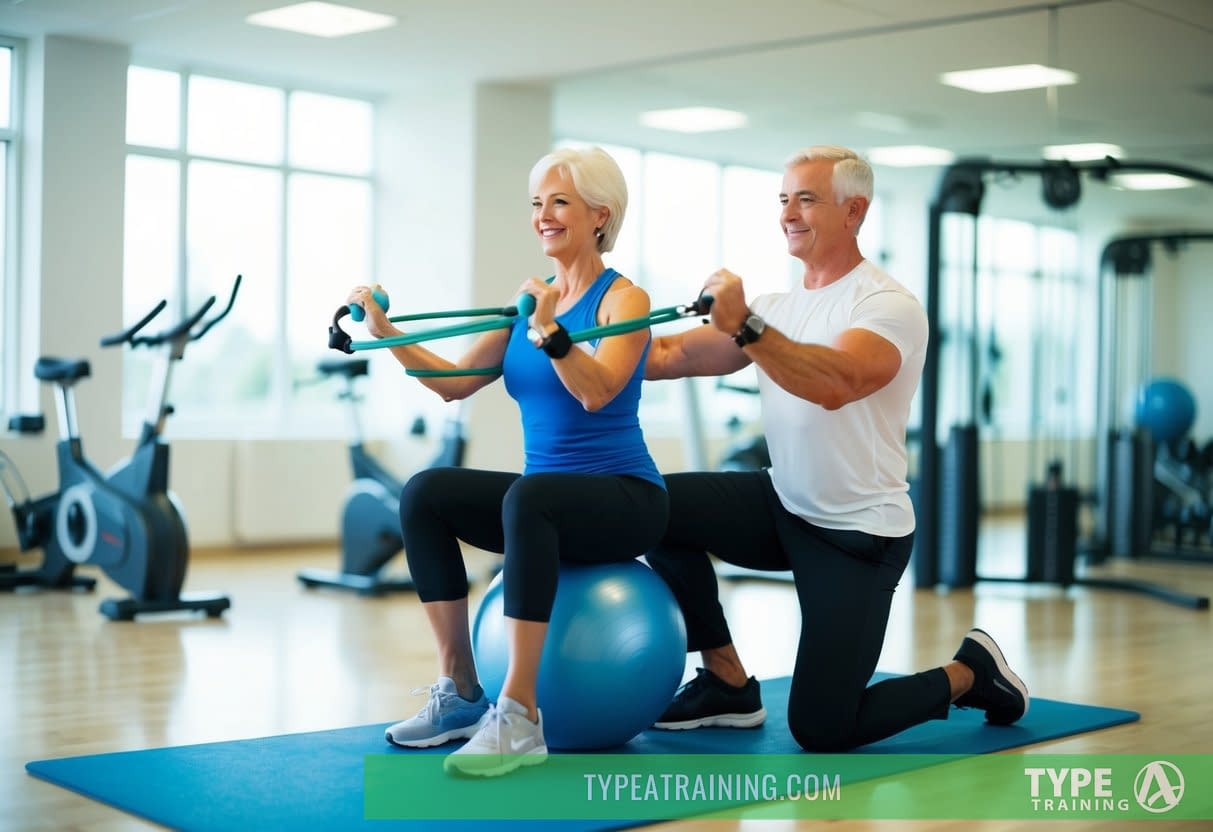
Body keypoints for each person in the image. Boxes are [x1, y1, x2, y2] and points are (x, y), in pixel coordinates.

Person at [643, 145, 1028, 752]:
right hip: (782, 502)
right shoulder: (777, 308)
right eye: (783, 199)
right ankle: (725, 679)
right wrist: (570, 339)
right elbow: (670, 355)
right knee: (649, 505)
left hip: (856, 535)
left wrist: (747, 326)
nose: (789, 213)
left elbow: (834, 383)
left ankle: (970, 672)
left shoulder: (886, 305)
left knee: (823, 728)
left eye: (807, 199)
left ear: (854, 211)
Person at [346, 146, 668, 777]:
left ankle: (519, 715)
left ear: (600, 214)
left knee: (531, 495)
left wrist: (549, 332)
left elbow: (597, 390)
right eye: (536, 204)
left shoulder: (624, 300)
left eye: (559, 202)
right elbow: (454, 382)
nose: (543, 216)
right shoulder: (530, 301)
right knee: (426, 492)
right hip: (547, 503)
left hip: (625, 499)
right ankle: (463, 691)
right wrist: (386, 332)